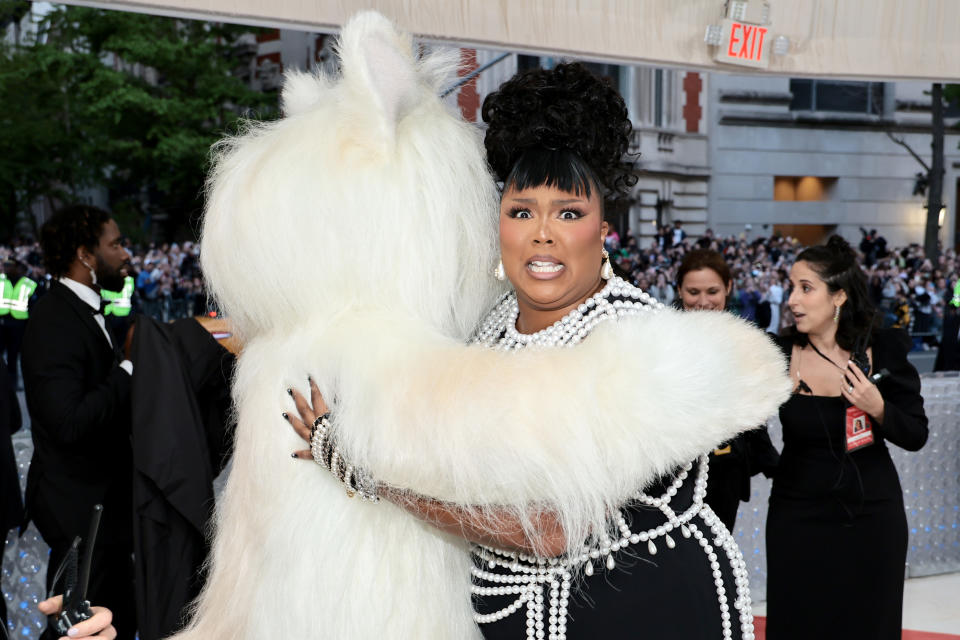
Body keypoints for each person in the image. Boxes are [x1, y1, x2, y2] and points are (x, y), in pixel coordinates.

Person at [167, 15, 788, 640]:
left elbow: (549, 528)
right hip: (506, 620)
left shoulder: (637, 338)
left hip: (639, 611)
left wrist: (371, 473)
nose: (542, 233)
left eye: (568, 212)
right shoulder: (483, 331)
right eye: (521, 211)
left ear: (603, 229)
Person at [765, 235, 928, 639]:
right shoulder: (776, 353)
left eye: (805, 288)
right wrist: (773, 468)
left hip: (871, 516)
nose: (792, 299)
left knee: (868, 622)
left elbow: (915, 433)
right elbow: (740, 425)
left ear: (838, 296)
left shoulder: (882, 348)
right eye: (790, 287)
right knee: (798, 621)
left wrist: (877, 406)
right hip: (796, 517)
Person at [20, 205, 137, 640]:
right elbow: (68, 421)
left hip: (103, 512)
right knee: (75, 630)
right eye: (116, 244)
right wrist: (128, 369)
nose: (125, 254)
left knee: (115, 621)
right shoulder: (53, 319)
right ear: (85, 255)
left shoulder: (86, 310)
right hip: (79, 516)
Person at [675, 249, 780, 531]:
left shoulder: (743, 340)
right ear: (679, 291)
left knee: (719, 564)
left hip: (726, 473)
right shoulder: (663, 340)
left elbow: (753, 411)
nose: (703, 301)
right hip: (675, 477)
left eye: (712, 291)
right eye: (693, 292)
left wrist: (774, 466)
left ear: (728, 289)